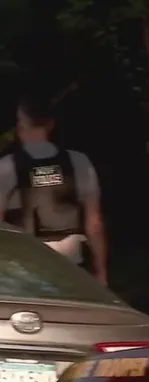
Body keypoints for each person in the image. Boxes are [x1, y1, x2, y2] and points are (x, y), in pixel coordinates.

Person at [0, 96, 108, 284]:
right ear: (50, 125)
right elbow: (95, 223)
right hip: (72, 261)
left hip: (26, 265)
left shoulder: (7, 166)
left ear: (20, 126)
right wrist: (101, 271)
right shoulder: (78, 162)